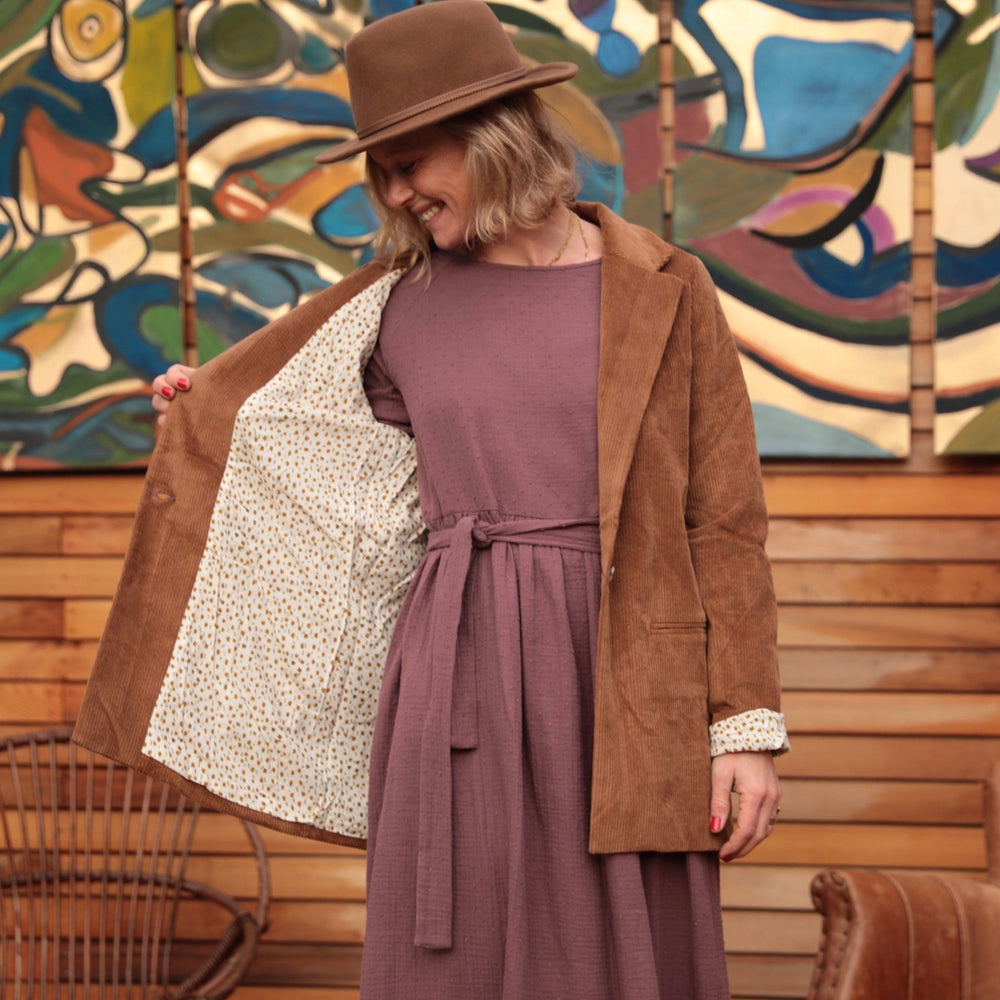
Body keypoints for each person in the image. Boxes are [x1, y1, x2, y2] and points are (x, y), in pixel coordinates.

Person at [75, 3, 787, 997]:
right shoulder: (393, 305)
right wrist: (204, 412)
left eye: (412, 163)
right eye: (383, 173)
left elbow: (724, 520)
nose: (398, 193)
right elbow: (297, 437)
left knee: (628, 955)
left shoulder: (667, 288)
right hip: (458, 674)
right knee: (458, 955)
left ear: (496, 136)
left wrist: (744, 726)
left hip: (633, 671)